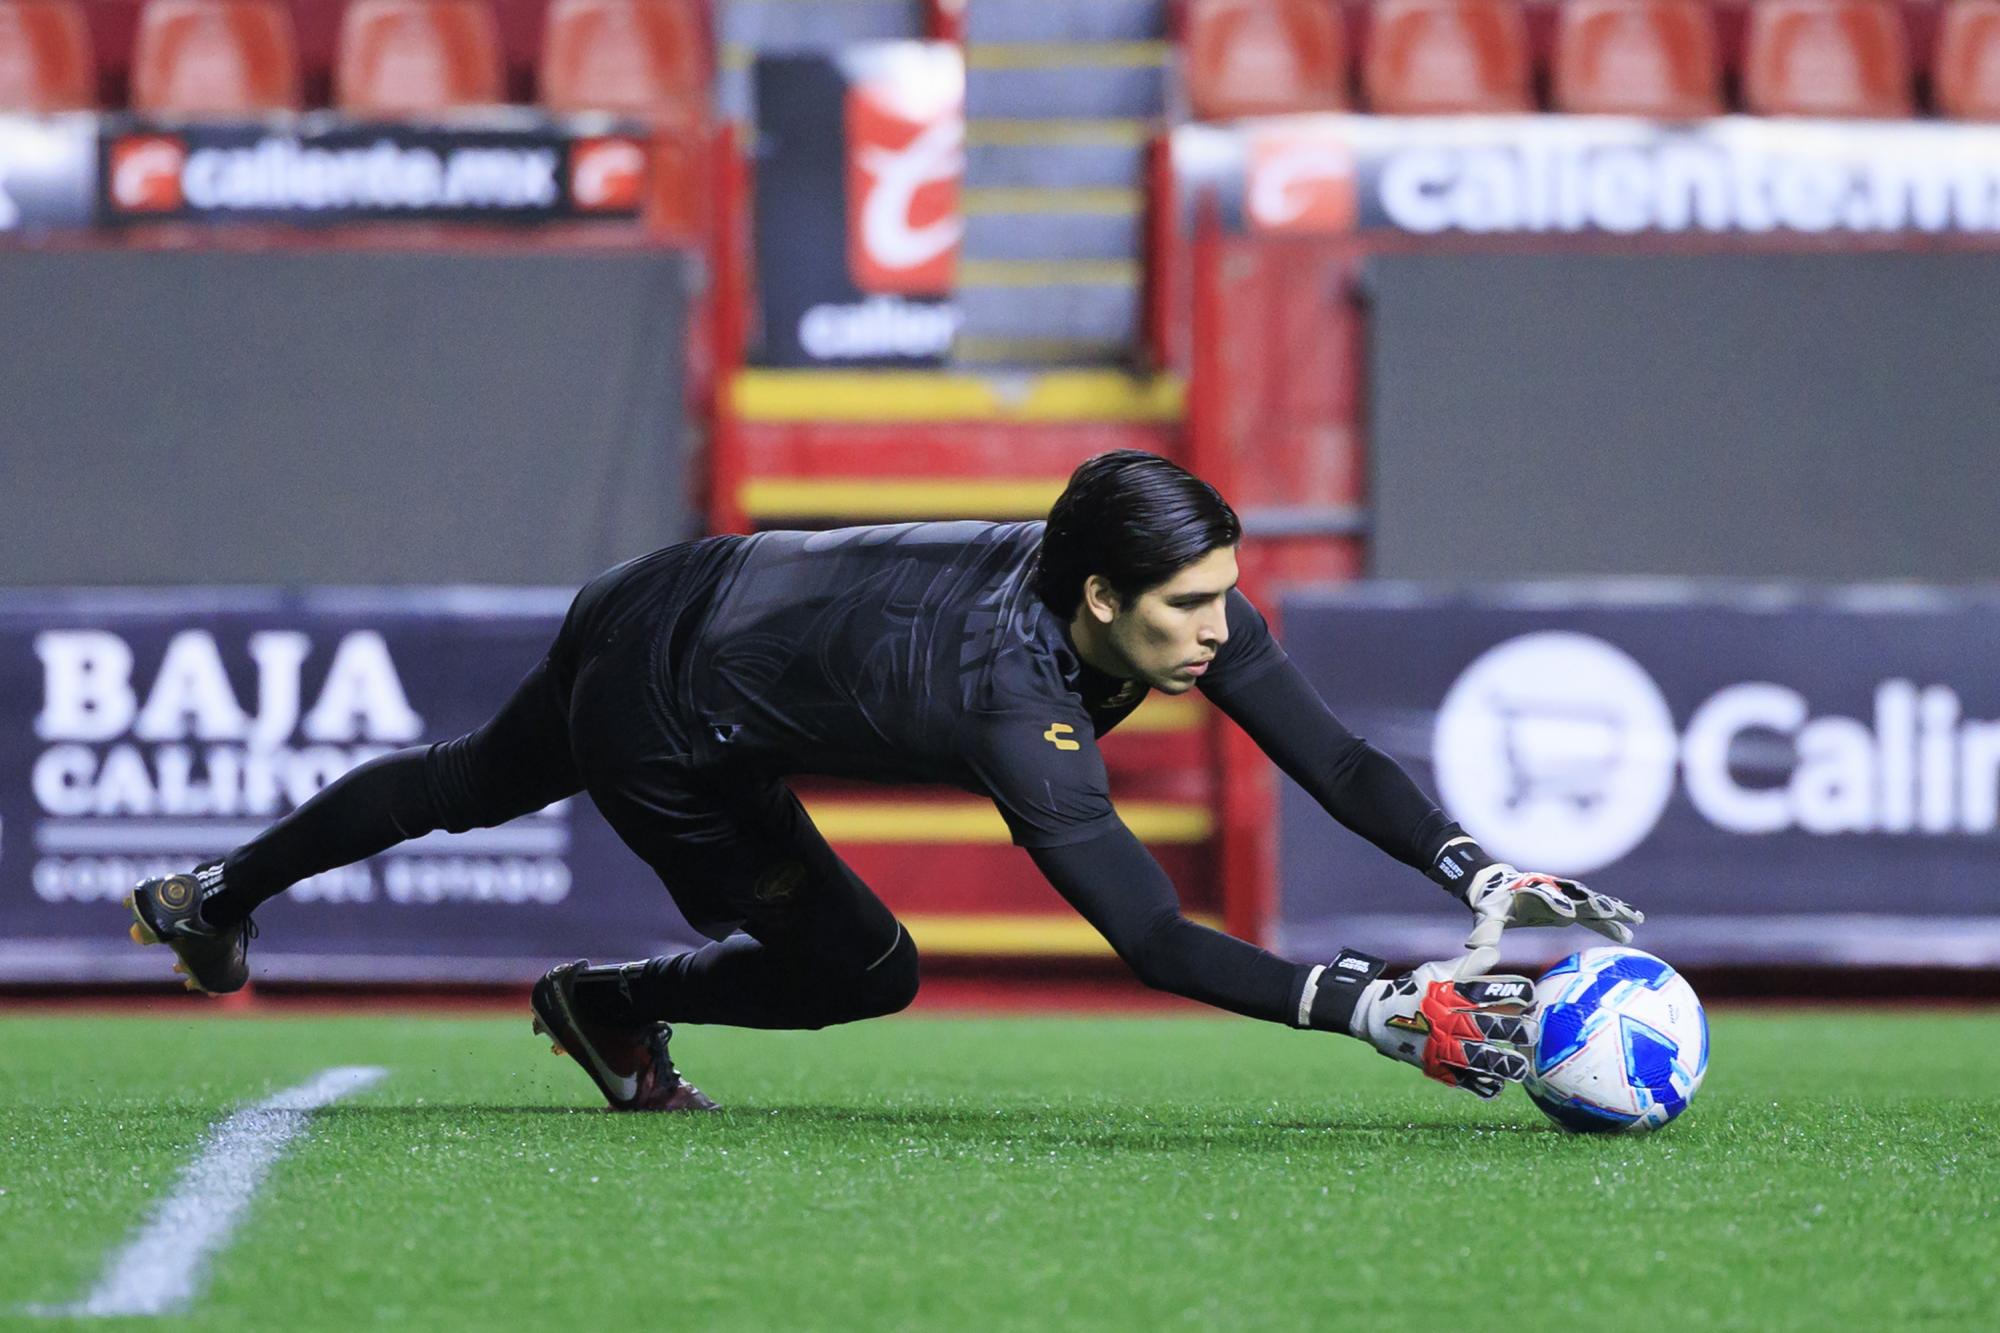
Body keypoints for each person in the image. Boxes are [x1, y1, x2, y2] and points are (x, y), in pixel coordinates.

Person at [126, 451, 1641, 1111]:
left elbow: (1334, 752)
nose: (1221, 626)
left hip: (680, 584)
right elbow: (1150, 935)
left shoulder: (1145, 592)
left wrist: (1473, 868)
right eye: (1188, 607)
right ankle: (610, 1000)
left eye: (1224, 595)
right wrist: (1361, 1003)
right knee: (869, 969)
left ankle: (215, 894)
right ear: (1102, 598)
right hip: (678, 715)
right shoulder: (1011, 695)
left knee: (465, 778)